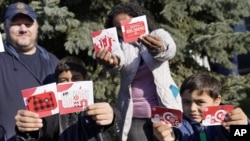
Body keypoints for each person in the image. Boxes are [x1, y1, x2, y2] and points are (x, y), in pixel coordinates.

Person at [95, 2, 182, 141]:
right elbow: (118, 59)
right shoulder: (121, 45)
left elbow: (170, 50)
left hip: (164, 111)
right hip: (135, 116)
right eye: (118, 28)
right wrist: (112, 61)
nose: (123, 30)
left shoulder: (158, 34)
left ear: (139, 20)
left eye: (127, 24)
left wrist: (159, 48)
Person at [15, 56, 120, 141]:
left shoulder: (96, 104)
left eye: (76, 79)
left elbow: (117, 120)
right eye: (64, 80)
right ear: (57, 83)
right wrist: (28, 127)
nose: (70, 84)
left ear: (85, 79)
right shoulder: (53, 112)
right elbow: (42, 127)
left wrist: (112, 115)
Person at [0, 2, 59, 141]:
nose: (23, 29)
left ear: (37, 26)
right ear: (5, 26)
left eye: (28, 24)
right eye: (16, 24)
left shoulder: (53, 62)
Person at [153, 72, 250, 141]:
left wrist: (243, 127)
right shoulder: (179, 123)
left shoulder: (228, 120)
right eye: (186, 102)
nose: (192, 109)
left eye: (200, 102)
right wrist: (171, 137)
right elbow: (179, 133)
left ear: (216, 101)